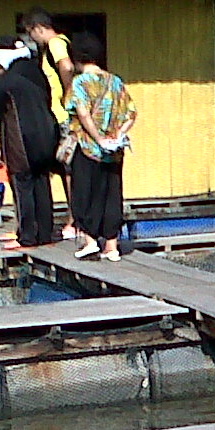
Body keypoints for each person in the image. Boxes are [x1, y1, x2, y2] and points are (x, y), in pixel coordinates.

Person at [65, 32, 135, 261]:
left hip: (88, 147)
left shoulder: (79, 82)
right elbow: (131, 114)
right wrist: (117, 135)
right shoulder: (115, 82)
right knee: (111, 195)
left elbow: (83, 113)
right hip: (114, 152)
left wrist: (98, 138)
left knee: (85, 193)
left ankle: (90, 241)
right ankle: (112, 247)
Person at [0, 36, 59, 250]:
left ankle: (26, 236)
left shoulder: (7, 81)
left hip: (21, 139)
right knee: (42, 182)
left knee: (23, 184)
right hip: (47, 134)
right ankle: (44, 233)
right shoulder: (38, 74)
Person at [22, 7, 77, 239]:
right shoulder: (52, 47)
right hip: (57, 114)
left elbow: (67, 66)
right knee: (63, 168)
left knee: (68, 168)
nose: (32, 39)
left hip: (63, 115)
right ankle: (73, 218)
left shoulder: (55, 43)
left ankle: (75, 220)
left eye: (31, 33)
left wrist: (68, 95)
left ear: (38, 28)